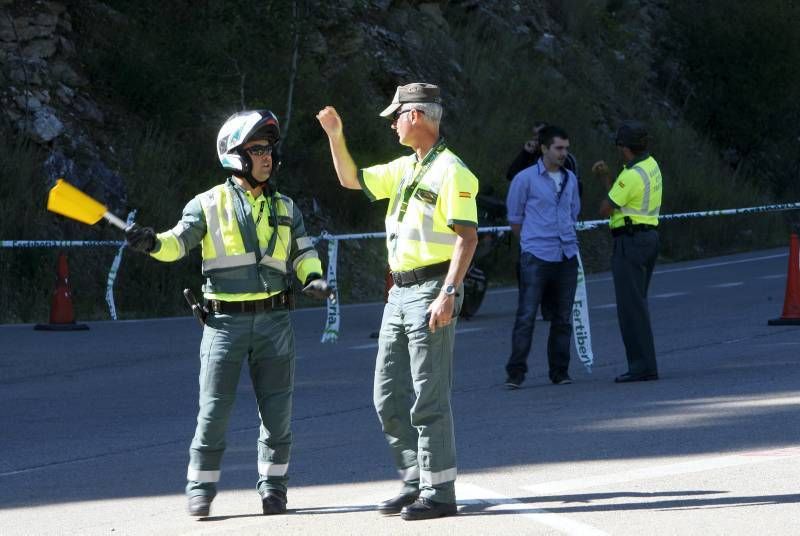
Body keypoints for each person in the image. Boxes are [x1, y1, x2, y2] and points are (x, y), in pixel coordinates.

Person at [124, 109, 332, 517]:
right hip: (224, 324)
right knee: (214, 410)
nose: (267, 157)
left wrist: (314, 278)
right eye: (257, 149)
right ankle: (200, 488)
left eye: (269, 148)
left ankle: (274, 489)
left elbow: (303, 251)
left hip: (276, 322)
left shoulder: (287, 207)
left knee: (278, 412)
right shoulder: (207, 204)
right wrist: (150, 243)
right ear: (235, 155)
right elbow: (176, 244)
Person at [316, 83, 478, 521]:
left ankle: (440, 492)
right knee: (386, 395)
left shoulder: (453, 171)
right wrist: (335, 134)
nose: (392, 122)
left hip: (431, 288)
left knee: (428, 394)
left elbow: (467, 238)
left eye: (397, 114)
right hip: (399, 291)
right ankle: (413, 477)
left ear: (419, 117)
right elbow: (351, 179)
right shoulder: (406, 167)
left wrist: (448, 293)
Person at [503, 126, 581, 389]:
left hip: (566, 254)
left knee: (563, 317)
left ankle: (560, 371)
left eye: (566, 148)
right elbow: (515, 218)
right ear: (544, 149)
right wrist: (530, 242)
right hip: (536, 255)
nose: (563, 153)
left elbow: (574, 212)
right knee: (526, 316)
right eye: (559, 148)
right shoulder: (524, 179)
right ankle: (516, 372)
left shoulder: (570, 178)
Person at [592, 120, 662, 383]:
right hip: (648, 237)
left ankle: (642, 366)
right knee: (637, 304)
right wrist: (608, 178)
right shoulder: (651, 165)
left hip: (630, 243)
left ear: (624, 148)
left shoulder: (630, 176)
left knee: (631, 309)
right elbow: (621, 200)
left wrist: (605, 180)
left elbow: (606, 207)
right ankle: (644, 363)